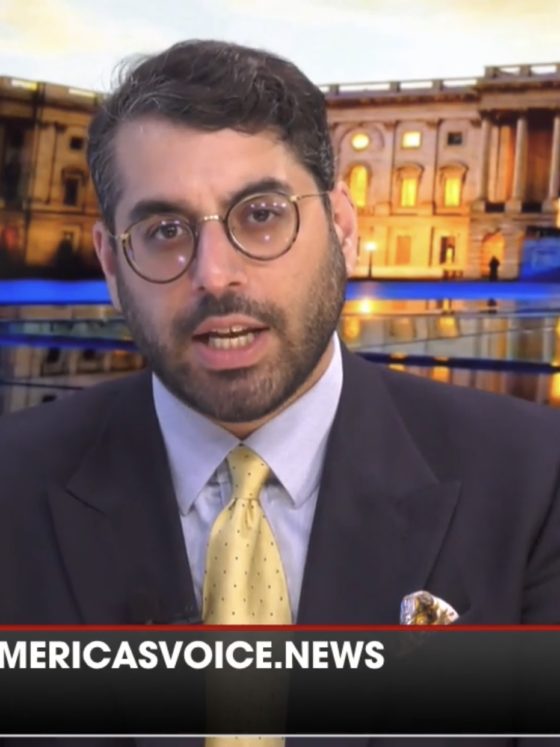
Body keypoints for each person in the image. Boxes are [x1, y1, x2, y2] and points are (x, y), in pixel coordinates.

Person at [1, 39, 560, 747]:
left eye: (261, 214)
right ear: (112, 264)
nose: (214, 274)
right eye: (164, 230)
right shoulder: (11, 484)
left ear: (343, 230)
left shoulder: (534, 478)